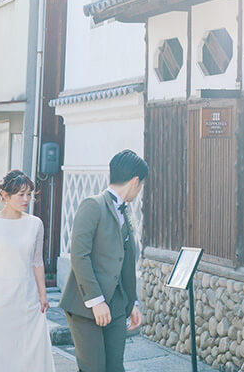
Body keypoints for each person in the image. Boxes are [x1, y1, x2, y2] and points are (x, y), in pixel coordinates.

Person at [60, 150, 147, 372]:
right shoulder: (92, 205)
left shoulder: (126, 212)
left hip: (117, 305)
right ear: (135, 181)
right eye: (141, 186)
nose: (139, 192)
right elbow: (79, 255)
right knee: (94, 368)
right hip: (84, 304)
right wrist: (96, 301)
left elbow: (127, 261)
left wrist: (132, 303)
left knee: (115, 367)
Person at [0, 169, 55, 372]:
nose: (26, 199)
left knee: (26, 350)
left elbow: (37, 262)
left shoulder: (35, 224)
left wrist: (43, 295)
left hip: (26, 296)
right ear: (5, 196)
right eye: (21, 194)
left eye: (29, 194)